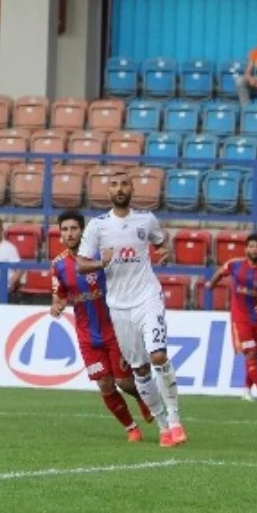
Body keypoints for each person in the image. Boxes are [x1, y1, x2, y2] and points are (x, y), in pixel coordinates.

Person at [76, 171, 186, 448]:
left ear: (132, 188)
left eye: (124, 184)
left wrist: (165, 251)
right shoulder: (97, 227)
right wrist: (102, 262)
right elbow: (81, 264)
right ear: (108, 191)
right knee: (139, 369)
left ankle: (174, 420)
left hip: (147, 296)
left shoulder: (146, 220)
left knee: (158, 355)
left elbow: (161, 242)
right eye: (114, 184)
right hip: (119, 306)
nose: (119, 188)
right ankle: (162, 427)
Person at [50, 210, 155, 441]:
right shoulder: (58, 265)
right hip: (87, 335)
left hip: (114, 329)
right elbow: (60, 294)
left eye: (74, 228)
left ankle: (140, 398)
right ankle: (131, 429)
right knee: (105, 384)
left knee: (124, 381)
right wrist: (56, 305)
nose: (70, 234)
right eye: (65, 230)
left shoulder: (102, 254)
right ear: (60, 235)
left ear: (83, 231)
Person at [203, 234, 257, 403]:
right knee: (250, 353)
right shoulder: (235, 265)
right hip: (240, 318)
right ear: (245, 249)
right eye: (251, 246)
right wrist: (212, 285)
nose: (254, 249)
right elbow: (220, 272)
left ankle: (246, 391)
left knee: (256, 356)